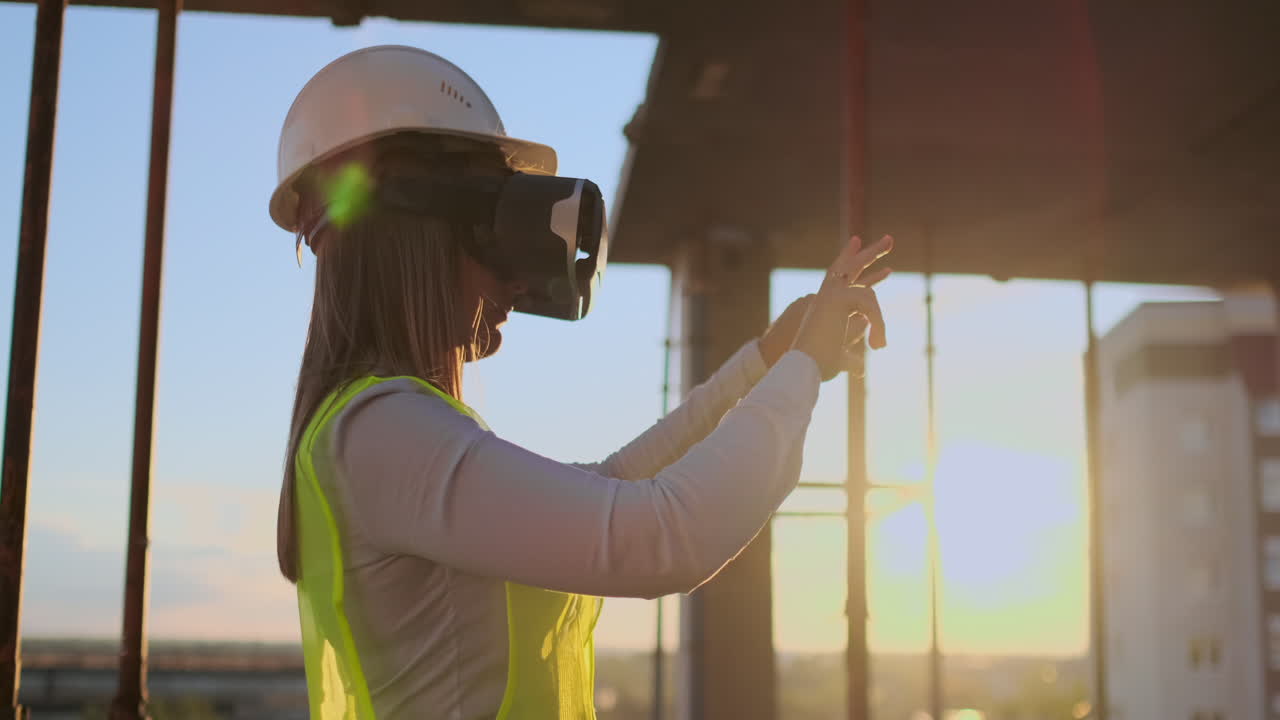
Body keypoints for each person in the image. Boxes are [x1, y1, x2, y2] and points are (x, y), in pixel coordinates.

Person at [271, 45, 893, 720]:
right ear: (418, 228)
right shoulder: (382, 433)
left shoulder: (372, 431)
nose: (517, 277)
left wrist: (768, 361)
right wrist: (801, 371)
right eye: (493, 228)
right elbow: (665, 537)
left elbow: (614, 487)